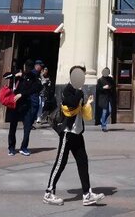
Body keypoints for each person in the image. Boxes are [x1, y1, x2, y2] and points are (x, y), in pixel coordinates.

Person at [43, 65, 103, 206]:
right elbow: (71, 103)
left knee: (83, 162)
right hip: (67, 133)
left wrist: (87, 103)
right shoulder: (67, 90)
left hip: (77, 132)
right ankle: (49, 193)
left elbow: (81, 110)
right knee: (60, 163)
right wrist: (80, 93)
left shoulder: (78, 91)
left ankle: (87, 194)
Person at [5, 59, 39, 157]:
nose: (27, 68)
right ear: (24, 66)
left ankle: (24, 147)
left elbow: (36, 88)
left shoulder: (32, 76)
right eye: (27, 66)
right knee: (13, 126)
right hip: (15, 105)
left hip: (26, 105)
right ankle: (11, 148)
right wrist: (15, 75)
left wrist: (22, 94)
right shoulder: (17, 73)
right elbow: (5, 75)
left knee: (27, 127)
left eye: (30, 67)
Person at [95, 67, 115, 132]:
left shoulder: (111, 79)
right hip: (103, 98)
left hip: (109, 97)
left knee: (110, 111)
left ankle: (102, 120)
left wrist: (109, 87)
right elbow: (98, 89)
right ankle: (104, 126)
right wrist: (103, 88)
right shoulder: (100, 80)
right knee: (105, 111)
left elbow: (113, 86)